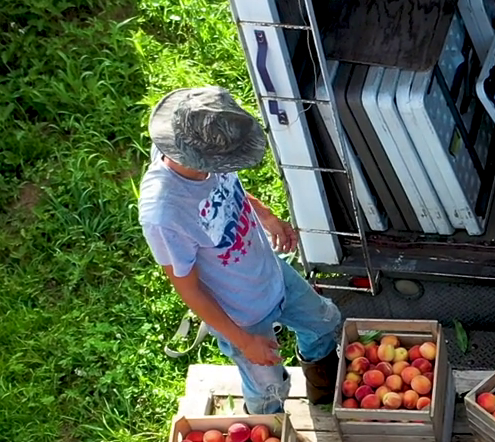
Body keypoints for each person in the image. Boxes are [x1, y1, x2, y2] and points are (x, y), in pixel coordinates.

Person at [139, 86, 343, 420]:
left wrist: (265, 216)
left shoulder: (210, 148)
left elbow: (228, 188)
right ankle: (271, 427)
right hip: (240, 313)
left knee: (322, 321)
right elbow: (189, 289)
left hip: (270, 272)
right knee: (268, 386)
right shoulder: (165, 214)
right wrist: (244, 341)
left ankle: (324, 392)